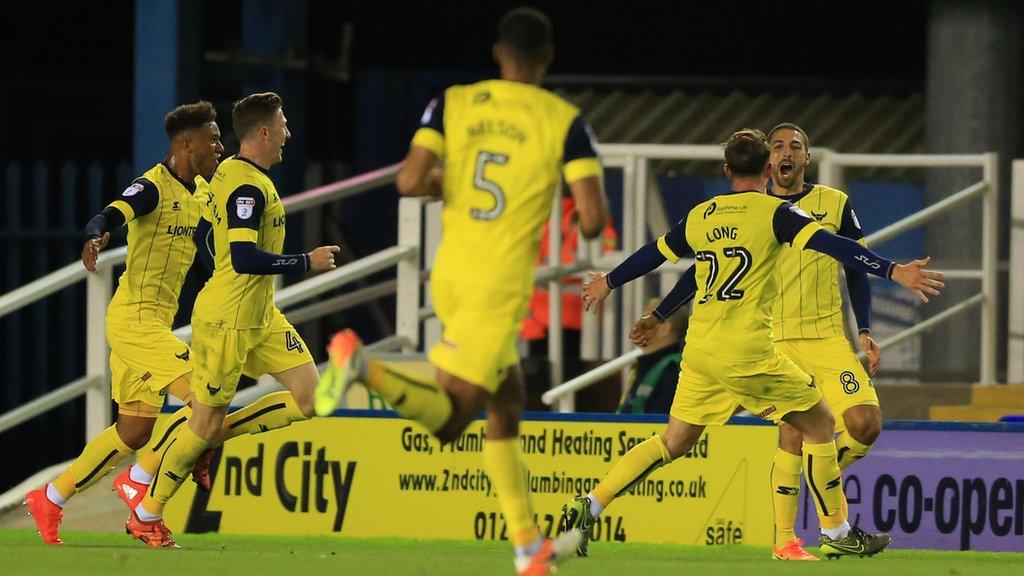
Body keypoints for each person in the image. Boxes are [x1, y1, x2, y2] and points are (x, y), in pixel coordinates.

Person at [562, 128, 943, 559]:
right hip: (748, 350)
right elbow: (835, 246)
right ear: (766, 169)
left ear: (726, 170)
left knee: (675, 441)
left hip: (701, 351)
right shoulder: (775, 213)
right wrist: (893, 270)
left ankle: (590, 503)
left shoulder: (702, 215)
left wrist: (610, 282)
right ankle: (836, 533)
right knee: (819, 424)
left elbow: (655, 252)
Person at [322, 8, 609, 575]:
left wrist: (445, 180)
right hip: (498, 286)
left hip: (450, 270)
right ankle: (362, 368)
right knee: (454, 422)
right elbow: (595, 220)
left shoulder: (452, 102)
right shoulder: (565, 120)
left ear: (497, 53)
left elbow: (408, 180)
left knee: (506, 402)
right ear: (547, 57)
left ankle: (529, 549)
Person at [631, 123, 888, 560]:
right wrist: (659, 314)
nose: (787, 153)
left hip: (826, 338)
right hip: (772, 338)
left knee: (865, 423)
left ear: (806, 158)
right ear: (769, 162)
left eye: (797, 146)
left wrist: (863, 328)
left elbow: (855, 266)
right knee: (795, 434)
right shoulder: (750, 210)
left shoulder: (834, 203)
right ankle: (787, 540)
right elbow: (703, 274)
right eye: (779, 146)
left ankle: (819, 485)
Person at [123, 92, 342, 548]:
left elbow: (208, 236)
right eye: (283, 126)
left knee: (313, 398)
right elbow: (242, 257)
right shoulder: (246, 187)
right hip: (227, 323)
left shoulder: (229, 174)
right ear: (263, 132)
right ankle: (147, 508)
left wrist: (224, 267)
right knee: (203, 425)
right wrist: (307, 260)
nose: (288, 134)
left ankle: (207, 436)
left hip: (260, 316)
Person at [23, 101, 226, 545]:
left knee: (134, 430)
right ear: (186, 144)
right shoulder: (152, 186)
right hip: (135, 322)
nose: (219, 145)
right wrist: (96, 233)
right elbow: (113, 212)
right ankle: (140, 481)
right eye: (212, 138)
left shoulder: (199, 194)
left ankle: (51, 497)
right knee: (205, 400)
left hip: (153, 323)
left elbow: (208, 254)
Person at [617, 296, 691, 414]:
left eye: (647, 320)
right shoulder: (644, 365)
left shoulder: (673, 371)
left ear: (665, 329)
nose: (638, 324)